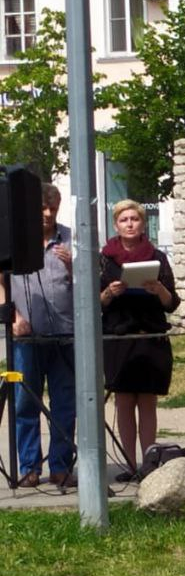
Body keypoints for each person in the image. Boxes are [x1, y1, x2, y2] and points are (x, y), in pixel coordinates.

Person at [100, 199, 181, 480]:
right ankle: (129, 464)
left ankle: (148, 465)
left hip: (150, 337)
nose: (130, 224)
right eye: (124, 220)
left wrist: (158, 289)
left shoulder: (157, 256)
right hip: (119, 339)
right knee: (123, 402)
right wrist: (110, 293)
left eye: (135, 219)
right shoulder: (105, 259)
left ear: (143, 224)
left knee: (147, 402)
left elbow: (172, 303)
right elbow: (93, 303)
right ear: (116, 225)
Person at [2, 183, 76, 489]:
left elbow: (92, 280)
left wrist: (74, 264)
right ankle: (29, 467)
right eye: (42, 209)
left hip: (66, 335)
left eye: (53, 209)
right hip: (25, 338)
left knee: (65, 403)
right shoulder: (15, 240)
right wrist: (13, 317)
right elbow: (1, 280)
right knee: (24, 403)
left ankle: (60, 467)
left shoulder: (71, 237)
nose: (47, 214)